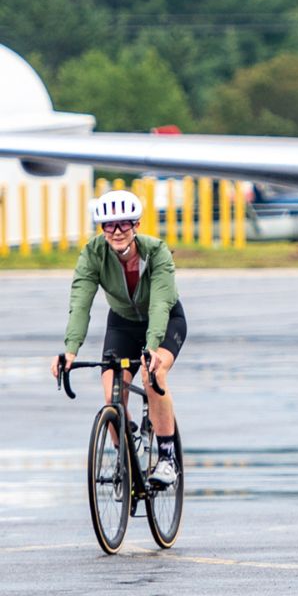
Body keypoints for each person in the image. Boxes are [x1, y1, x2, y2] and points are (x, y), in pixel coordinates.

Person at [49, 190, 187, 487]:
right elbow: (80, 302)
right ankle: (124, 455)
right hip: (122, 324)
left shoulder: (157, 252)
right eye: (109, 225)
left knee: (154, 374)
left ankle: (166, 458)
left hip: (164, 320)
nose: (117, 231)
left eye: (124, 224)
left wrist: (151, 349)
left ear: (136, 225)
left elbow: (160, 304)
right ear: (102, 229)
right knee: (111, 389)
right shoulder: (93, 253)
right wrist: (70, 351)